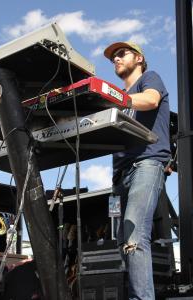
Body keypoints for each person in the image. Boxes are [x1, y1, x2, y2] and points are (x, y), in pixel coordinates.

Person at [104, 41, 171, 299]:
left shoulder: (149, 78)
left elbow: (152, 100)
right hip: (120, 174)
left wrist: (116, 99)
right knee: (124, 242)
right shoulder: (120, 97)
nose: (116, 59)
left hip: (146, 163)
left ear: (139, 58)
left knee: (135, 235)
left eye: (122, 53)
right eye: (113, 57)